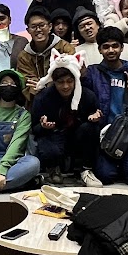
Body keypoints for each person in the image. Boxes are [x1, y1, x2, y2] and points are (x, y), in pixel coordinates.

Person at [81, 28, 128, 187]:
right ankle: (116, 164)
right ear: (99, 49)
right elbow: (82, 100)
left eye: (115, 46)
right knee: (105, 176)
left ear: (122, 47)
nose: (111, 50)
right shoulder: (92, 73)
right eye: (106, 47)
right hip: (105, 136)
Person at [31, 52, 101, 185]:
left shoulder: (88, 96)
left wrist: (95, 118)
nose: (65, 86)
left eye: (69, 81)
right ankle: (53, 168)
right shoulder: (43, 98)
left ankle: (85, 170)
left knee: (91, 128)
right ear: (54, 82)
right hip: (53, 135)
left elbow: (96, 122)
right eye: (60, 82)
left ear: (76, 79)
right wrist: (43, 126)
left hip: (76, 136)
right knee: (47, 145)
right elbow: (34, 129)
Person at [16, 6, 74, 103]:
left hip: (65, 101)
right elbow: (28, 83)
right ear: (28, 30)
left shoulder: (64, 47)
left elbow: (72, 74)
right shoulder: (24, 56)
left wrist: (44, 84)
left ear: (50, 27)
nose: (38, 30)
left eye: (42, 25)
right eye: (33, 27)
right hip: (37, 103)